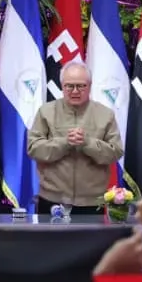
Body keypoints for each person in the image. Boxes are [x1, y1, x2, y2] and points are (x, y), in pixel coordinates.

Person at [27, 62, 123, 216]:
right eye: (69, 86)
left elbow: (115, 152)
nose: (75, 91)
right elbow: (34, 149)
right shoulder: (46, 112)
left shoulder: (105, 115)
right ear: (62, 86)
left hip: (92, 202)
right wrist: (64, 142)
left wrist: (88, 143)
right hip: (52, 199)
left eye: (81, 86)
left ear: (90, 86)